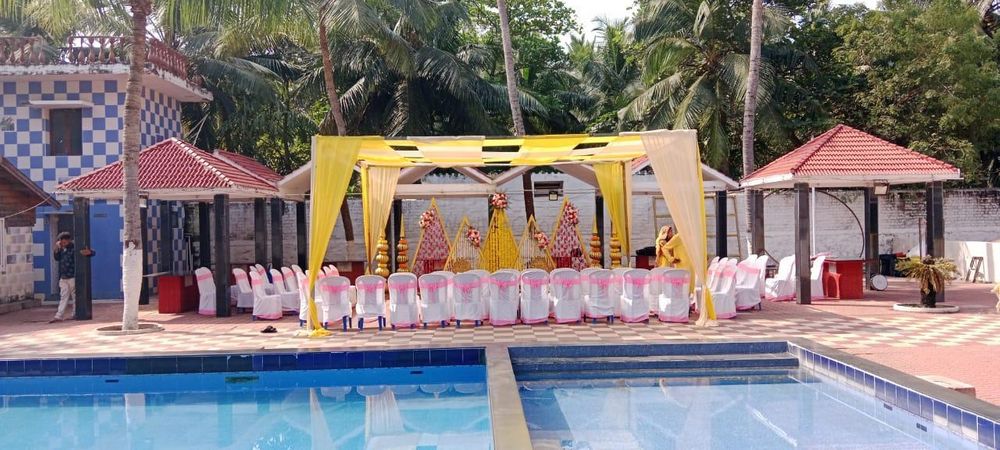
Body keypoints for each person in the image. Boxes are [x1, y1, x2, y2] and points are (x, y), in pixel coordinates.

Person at [50, 232, 94, 323]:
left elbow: (90, 252)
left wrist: (89, 252)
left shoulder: (74, 248)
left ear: (69, 240)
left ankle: (74, 313)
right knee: (64, 296)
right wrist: (56, 248)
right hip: (64, 277)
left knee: (75, 296)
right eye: (61, 241)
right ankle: (59, 315)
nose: (63, 242)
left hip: (72, 276)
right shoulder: (61, 250)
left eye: (65, 240)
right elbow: (56, 258)